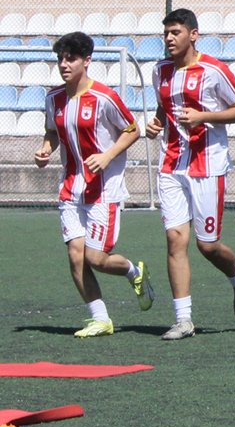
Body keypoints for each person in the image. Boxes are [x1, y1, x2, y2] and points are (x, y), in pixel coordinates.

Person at [34, 32, 153, 337]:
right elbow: (52, 131)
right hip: (70, 189)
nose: (64, 64)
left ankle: (134, 271)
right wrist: (47, 148)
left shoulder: (105, 97)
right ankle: (100, 318)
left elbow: (131, 129)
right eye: (60, 58)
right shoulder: (53, 98)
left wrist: (107, 155)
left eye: (70, 58)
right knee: (76, 255)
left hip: (103, 190)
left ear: (86, 61)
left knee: (95, 258)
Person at [144, 8, 235, 341]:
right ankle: (183, 320)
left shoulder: (213, 70)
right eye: (166, 33)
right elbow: (165, 106)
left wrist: (204, 115)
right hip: (171, 165)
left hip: (208, 165)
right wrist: (158, 123)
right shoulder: (159, 70)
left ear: (193, 34)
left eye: (175, 32)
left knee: (208, 247)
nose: (169, 39)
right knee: (175, 240)